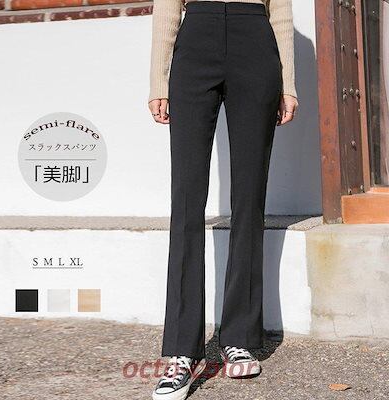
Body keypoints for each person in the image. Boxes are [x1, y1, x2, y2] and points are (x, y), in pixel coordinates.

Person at [148, 1, 299, 399]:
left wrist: (288, 83)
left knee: (249, 199)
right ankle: (181, 350)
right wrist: (158, 82)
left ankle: (239, 338)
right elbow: (167, 10)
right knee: (186, 200)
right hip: (196, 41)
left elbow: (281, 13)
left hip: (256, 44)